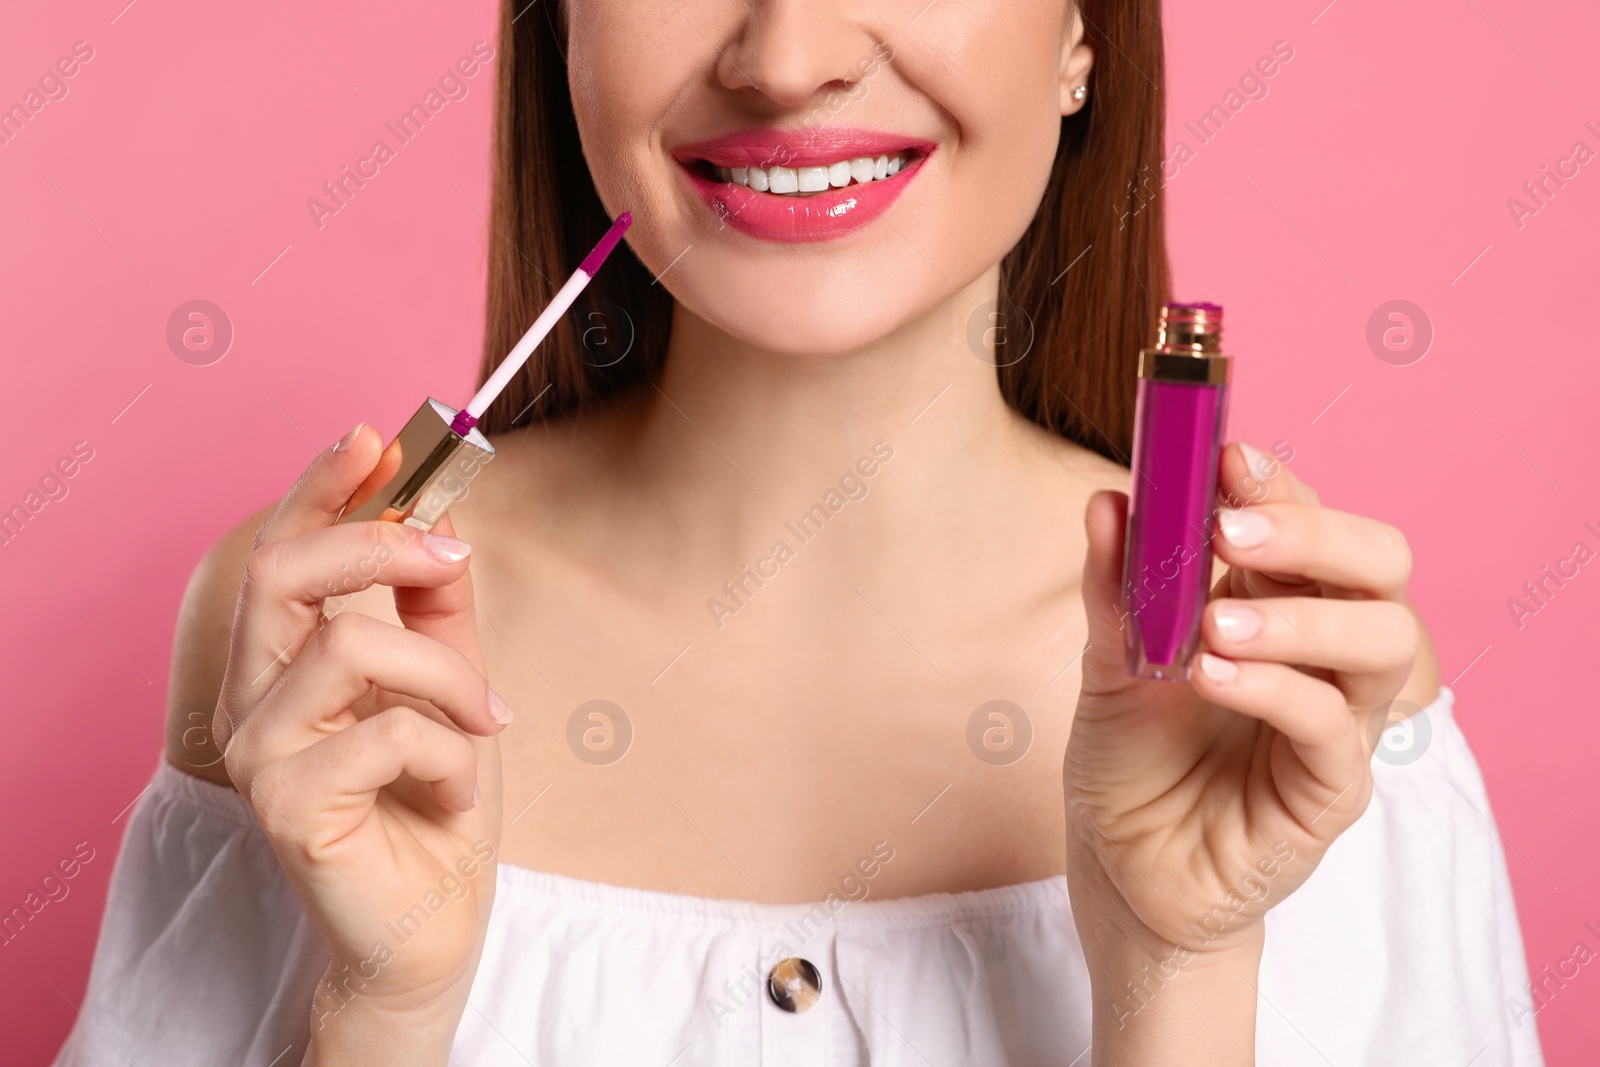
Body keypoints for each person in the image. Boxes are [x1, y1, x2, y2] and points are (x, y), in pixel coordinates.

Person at [56, 1, 1543, 1063]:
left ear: (1085, 32)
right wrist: (378, 1010)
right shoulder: (323, 653)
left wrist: (1180, 974)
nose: (786, 57)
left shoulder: (1301, 708)